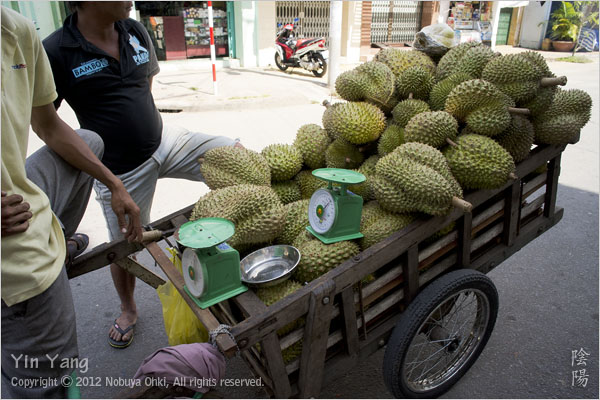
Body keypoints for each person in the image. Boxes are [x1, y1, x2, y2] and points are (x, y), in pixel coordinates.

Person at [43, 1, 242, 349]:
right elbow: (48, 125)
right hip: (118, 170)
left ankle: (235, 257)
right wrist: (111, 181)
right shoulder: (56, 50)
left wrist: (138, 126)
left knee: (236, 157)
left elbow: (144, 86)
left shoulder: (134, 30)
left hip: (166, 140)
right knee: (125, 246)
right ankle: (128, 309)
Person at [1, 6, 142, 398]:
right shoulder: (58, 44)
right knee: (50, 380)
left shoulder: (15, 28)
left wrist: (114, 184)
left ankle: (58, 239)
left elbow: (47, 123)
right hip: (9, 244)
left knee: (89, 143)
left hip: (15, 192)